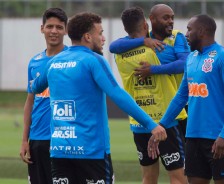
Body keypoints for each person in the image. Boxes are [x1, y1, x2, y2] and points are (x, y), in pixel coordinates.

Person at [31, 12, 166, 184]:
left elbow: (35, 87)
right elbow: (117, 94)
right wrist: (150, 124)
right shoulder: (93, 60)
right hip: (91, 151)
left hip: (59, 151)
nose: (103, 39)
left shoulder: (53, 62)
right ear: (88, 37)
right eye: (100, 33)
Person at [149, 14, 224, 184]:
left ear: (201, 32)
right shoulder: (191, 59)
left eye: (189, 29)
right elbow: (180, 97)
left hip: (219, 138)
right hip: (193, 137)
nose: (185, 34)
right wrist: (161, 126)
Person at [114, 7, 188, 184]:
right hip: (169, 118)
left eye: (172, 17)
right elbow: (186, 64)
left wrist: (152, 67)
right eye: (166, 18)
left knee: (148, 176)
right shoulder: (156, 50)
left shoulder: (121, 53)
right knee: (178, 176)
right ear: (149, 21)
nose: (170, 21)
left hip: (140, 121)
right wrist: (146, 43)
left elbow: (113, 46)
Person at [19, 8, 68, 184]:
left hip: (64, 139)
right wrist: (25, 140)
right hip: (37, 140)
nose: (54, 31)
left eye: (59, 27)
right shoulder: (35, 62)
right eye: (50, 26)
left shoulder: (72, 59)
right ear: (42, 29)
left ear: (66, 30)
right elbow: (30, 101)